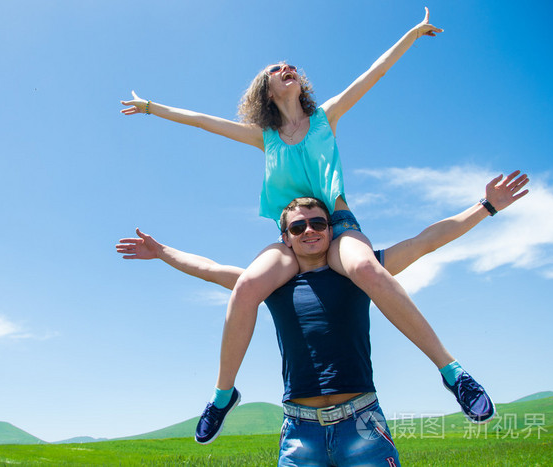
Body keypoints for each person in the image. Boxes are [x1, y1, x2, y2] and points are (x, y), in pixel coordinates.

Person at [121, 8, 485, 444]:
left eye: (290, 66)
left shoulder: (325, 118)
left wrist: (413, 33)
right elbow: (202, 121)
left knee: (369, 270)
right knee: (245, 287)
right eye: (275, 70)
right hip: (292, 232)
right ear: (266, 90)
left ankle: (452, 372)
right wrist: (148, 108)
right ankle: (223, 395)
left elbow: (375, 72)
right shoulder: (265, 137)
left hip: (337, 223)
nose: (286, 69)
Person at [116, 172, 528, 464]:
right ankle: (222, 397)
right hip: (299, 431)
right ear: (285, 237)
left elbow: (425, 241)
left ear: (332, 229)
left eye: (319, 223)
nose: (310, 230)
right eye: (299, 226)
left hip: (362, 422)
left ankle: (453, 373)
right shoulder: (270, 284)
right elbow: (206, 268)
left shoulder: (357, 270)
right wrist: (162, 251)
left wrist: (487, 206)